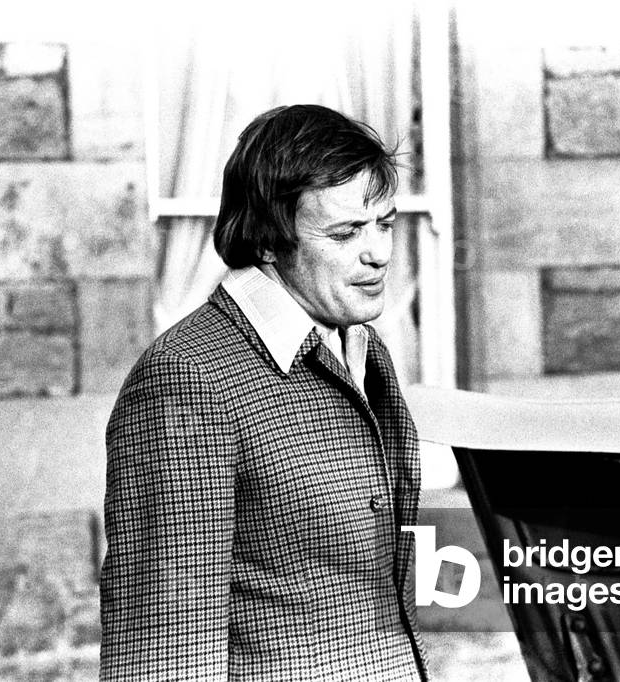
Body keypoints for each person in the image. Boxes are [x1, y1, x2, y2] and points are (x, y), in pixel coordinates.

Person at [100, 104, 429, 680]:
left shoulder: (360, 344)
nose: (379, 252)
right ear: (269, 241)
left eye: (385, 223)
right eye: (346, 232)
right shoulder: (187, 378)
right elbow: (164, 649)